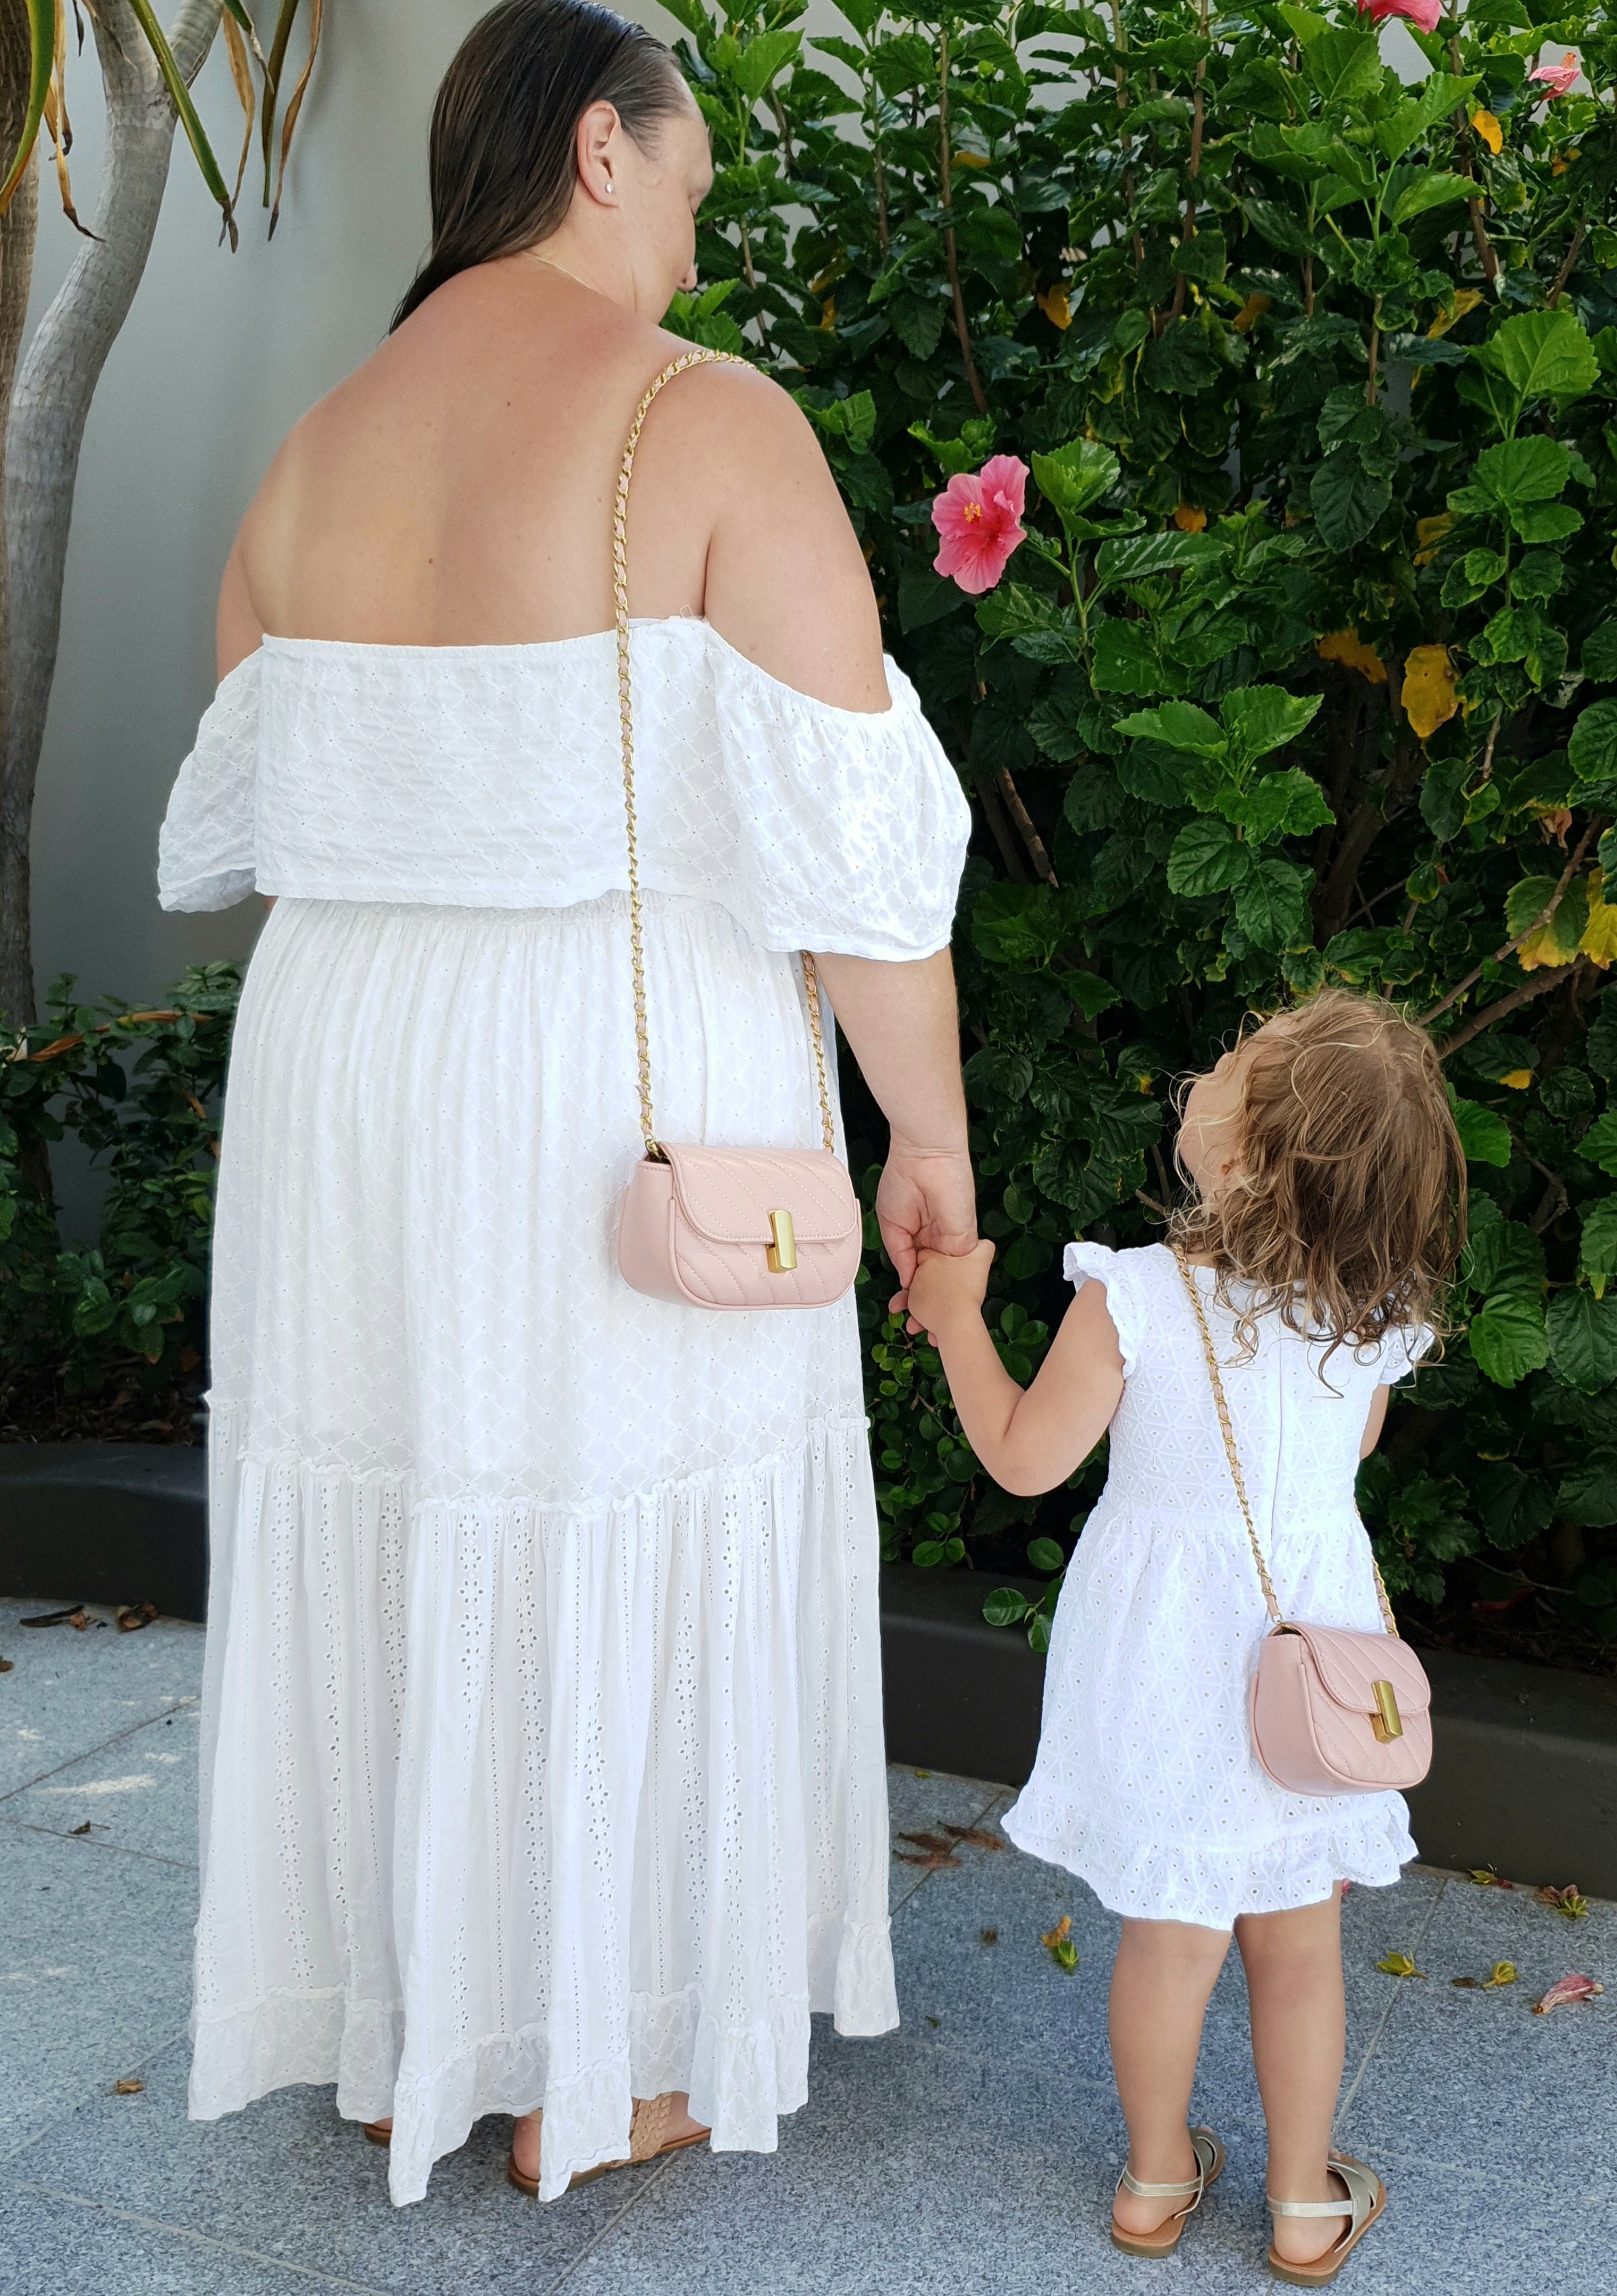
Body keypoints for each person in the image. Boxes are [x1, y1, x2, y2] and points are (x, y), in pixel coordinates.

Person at [157, 0, 974, 2207]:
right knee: (615, 1492)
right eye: (691, 174)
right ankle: (594, 2060)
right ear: (602, 151)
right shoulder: (705, 423)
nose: (700, 228)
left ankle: (409, 2008)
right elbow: (857, 858)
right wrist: (936, 1153)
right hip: (597, 1075)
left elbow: (245, 806)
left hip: (350, 1073)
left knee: (429, 1498)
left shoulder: (317, 440)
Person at [900, 989, 1465, 2286]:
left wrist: (956, 1318)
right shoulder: (1371, 1316)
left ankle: (1156, 2182)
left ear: (1249, 1150)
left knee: (1172, 1936)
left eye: (1231, 1066)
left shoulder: (1136, 1297)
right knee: (1300, 1938)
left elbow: (1026, 1461)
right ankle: (1303, 2206)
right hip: (1304, 1665)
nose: (1204, 1072)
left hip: (1167, 1662)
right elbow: (1352, 1452)